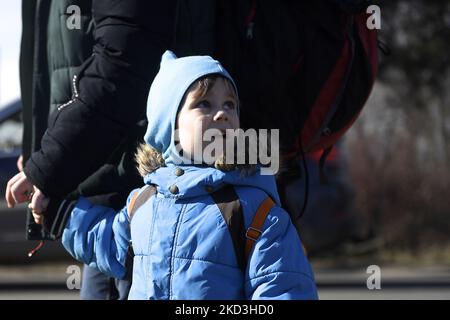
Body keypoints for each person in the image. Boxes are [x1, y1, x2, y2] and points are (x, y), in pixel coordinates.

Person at [31, 51, 318, 299]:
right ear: (168, 126)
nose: (222, 114)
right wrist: (58, 212)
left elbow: (284, 288)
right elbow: (108, 245)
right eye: (204, 103)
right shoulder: (143, 201)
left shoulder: (255, 210)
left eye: (230, 104)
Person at [5, 0, 177, 299]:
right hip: (102, 193)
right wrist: (36, 146)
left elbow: (122, 61)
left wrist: (50, 164)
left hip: (130, 192)